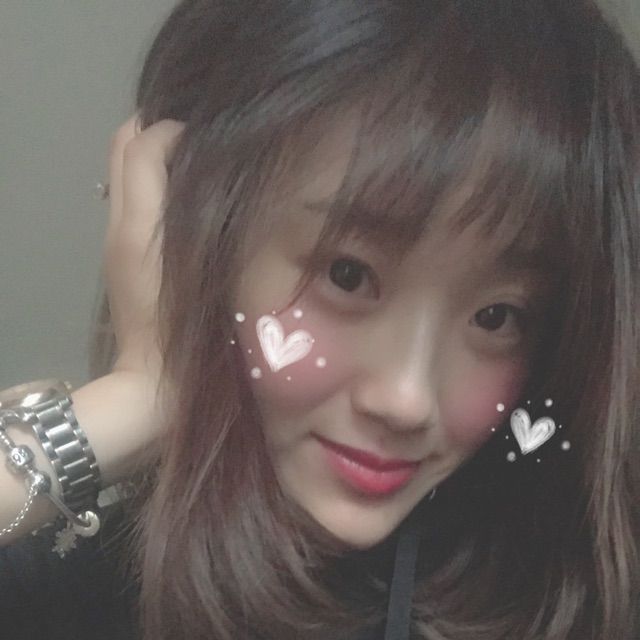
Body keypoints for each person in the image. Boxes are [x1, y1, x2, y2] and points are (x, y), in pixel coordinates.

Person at [1, 1, 639, 638]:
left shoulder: (585, 594)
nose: (407, 400)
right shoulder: (62, 589)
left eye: (497, 316)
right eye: (348, 275)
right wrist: (139, 396)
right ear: (194, 240)